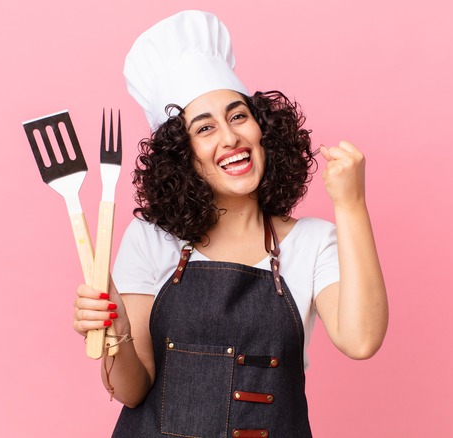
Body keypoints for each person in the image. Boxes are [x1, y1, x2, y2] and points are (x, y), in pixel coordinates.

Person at [72, 10, 388, 437]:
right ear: (182, 156)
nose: (229, 137)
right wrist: (118, 335)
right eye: (205, 128)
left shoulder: (313, 242)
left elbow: (362, 340)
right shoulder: (151, 240)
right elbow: (132, 391)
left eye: (238, 116)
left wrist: (351, 204)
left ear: (264, 130)